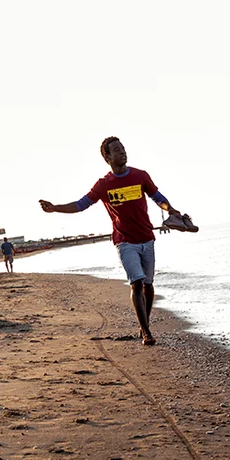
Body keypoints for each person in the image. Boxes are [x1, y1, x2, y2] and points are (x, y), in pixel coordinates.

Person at [39, 136, 187, 346]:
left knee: (148, 285)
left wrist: (170, 209)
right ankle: (146, 331)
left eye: (123, 149)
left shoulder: (140, 176)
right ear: (107, 156)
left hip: (147, 237)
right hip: (124, 241)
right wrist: (55, 208)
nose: (122, 152)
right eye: (117, 150)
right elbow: (81, 205)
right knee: (136, 282)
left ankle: (144, 323)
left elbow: (158, 197)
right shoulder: (103, 185)